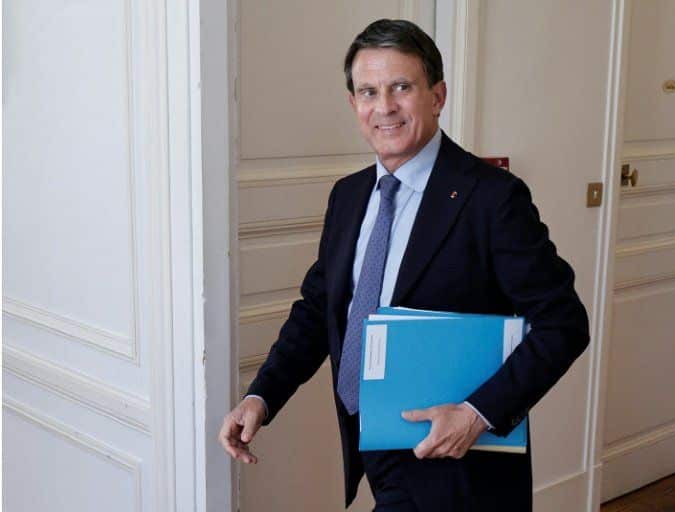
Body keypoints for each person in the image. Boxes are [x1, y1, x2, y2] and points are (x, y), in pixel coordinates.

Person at [219, 18, 590, 512]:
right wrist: (261, 397)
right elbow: (318, 310)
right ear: (353, 104)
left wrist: (477, 414)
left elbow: (563, 323)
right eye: (368, 92)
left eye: (401, 87)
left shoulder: (492, 197)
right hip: (373, 447)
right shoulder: (348, 196)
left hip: (460, 467)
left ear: (437, 96)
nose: (385, 107)